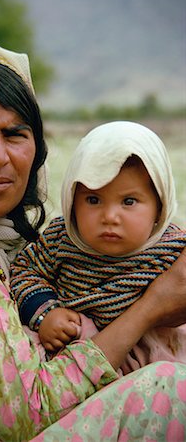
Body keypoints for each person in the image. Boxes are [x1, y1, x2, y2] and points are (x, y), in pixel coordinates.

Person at [0, 41, 186, 442]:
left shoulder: (1, 243)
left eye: (15, 134)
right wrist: (150, 309)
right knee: (167, 390)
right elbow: (30, 414)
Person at [11, 121, 186, 371]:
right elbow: (25, 272)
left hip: (158, 361)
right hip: (80, 364)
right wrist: (45, 314)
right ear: (73, 201)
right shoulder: (61, 240)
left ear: (160, 207)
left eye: (129, 201)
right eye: (93, 200)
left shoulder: (173, 247)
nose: (110, 216)